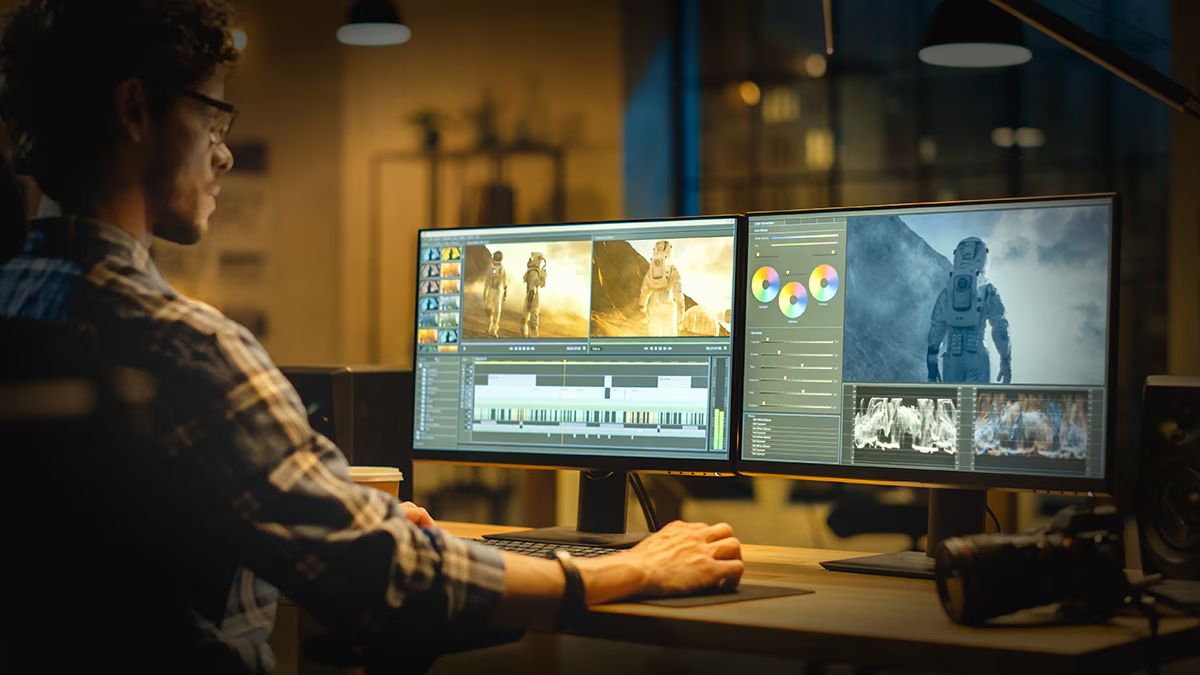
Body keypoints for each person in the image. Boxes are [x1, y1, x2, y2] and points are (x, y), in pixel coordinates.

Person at [0, 2, 743, 673]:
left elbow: (120, 540)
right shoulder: (185, 347)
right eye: (214, 120)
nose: (223, 154)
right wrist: (629, 569)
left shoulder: (17, 305)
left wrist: (326, 500)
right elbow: (392, 580)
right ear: (134, 108)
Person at [926, 236, 1012, 385]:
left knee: (951, 406)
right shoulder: (988, 291)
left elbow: (936, 329)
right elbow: (1001, 329)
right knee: (976, 406)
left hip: (951, 360)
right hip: (977, 358)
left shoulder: (947, 292)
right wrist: (1005, 361)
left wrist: (932, 366)